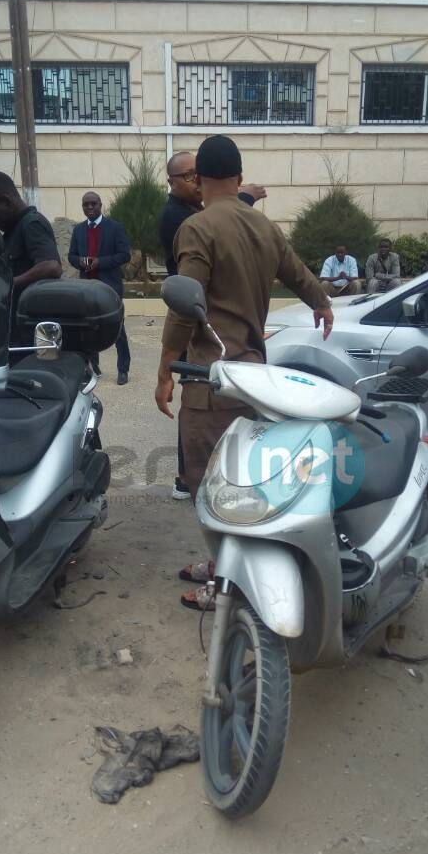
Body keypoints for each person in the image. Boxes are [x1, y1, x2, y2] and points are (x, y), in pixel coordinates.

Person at [155, 135, 333, 610]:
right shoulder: (263, 226)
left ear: (200, 178)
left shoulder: (198, 227)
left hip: (211, 379)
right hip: (254, 377)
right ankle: (221, 568)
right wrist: (322, 302)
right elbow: (298, 272)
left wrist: (164, 369)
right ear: (238, 175)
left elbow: (184, 303)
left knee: (206, 484)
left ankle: (226, 585)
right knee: (239, 480)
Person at [158, 150, 267, 499]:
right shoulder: (180, 219)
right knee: (198, 404)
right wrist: (164, 369)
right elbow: (184, 307)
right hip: (198, 326)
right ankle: (190, 479)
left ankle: (207, 486)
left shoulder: (197, 215)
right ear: (173, 183)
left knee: (215, 414)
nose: (195, 182)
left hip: (214, 327)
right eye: (188, 176)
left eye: (197, 175)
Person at [0, 170, 62, 338]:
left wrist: (7, 284)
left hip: (33, 331)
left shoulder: (31, 224)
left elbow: (51, 266)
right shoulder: (14, 231)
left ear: (6, 201)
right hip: (17, 326)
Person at [68, 191, 131, 385]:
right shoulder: (78, 230)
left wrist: (100, 262)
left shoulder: (115, 228)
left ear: (100, 205)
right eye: (86, 205)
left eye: (93, 204)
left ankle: (123, 370)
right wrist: (81, 261)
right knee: (89, 329)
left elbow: (124, 255)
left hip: (109, 287)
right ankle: (94, 367)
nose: (90, 208)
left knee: (117, 328)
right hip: (87, 288)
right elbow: (71, 256)